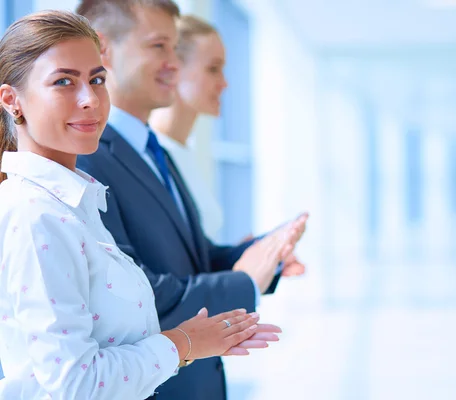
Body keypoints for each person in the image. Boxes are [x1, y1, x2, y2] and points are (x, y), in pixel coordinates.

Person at [0, 10, 282, 399]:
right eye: (64, 81)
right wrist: (183, 344)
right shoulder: (37, 215)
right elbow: (74, 385)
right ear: (11, 100)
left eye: (96, 80)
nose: (89, 99)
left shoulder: (77, 203)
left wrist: (198, 339)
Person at [74, 1, 307, 398]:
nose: (174, 63)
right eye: (158, 46)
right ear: (103, 51)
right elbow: (135, 295)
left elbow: (192, 256)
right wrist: (244, 281)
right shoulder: (87, 157)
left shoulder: (150, 148)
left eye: (175, 48)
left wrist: (264, 253)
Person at [149, 15, 307, 275]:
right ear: (172, 69)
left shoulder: (184, 154)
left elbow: (195, 259)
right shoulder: (150, 156)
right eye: (213, 69)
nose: (224, 83)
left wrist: (256, 255)